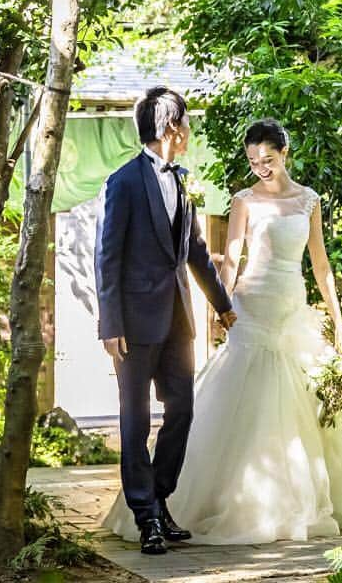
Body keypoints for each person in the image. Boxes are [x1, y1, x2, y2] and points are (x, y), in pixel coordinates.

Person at [104, 117, 342, 545]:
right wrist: (224, 307)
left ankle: (289, 503)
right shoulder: (243, 201)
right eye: (253, 161)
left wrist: (340, 324)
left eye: (267, 159)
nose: (260, 167)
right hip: (251, 309)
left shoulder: (309, 201)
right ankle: (182, 505)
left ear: (285, 153)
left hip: (292, 311)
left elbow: (321, 265)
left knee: (299, 411)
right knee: (236, 406)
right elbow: (229, 259)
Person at [95, 86, 236, 556]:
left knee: (182, 410)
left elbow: (194, 250)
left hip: (178, 319)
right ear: (171, 127)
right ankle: (145, 517)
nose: (190, 130)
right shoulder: (124, 182)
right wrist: (109, 323)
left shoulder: (184, 178)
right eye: (187, 123)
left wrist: (222, 304)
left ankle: (159, 497)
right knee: (134, 421)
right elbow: (107, 257)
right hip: (132, 324)